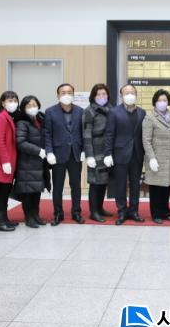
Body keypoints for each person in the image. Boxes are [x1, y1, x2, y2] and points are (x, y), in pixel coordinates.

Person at [104, 84, 146, 225]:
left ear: (136, 94)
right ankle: (122, 211)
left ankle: (134, 211)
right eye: (126, 93)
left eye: (132, 92)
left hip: (137, 154)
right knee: (120, 184)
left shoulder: (142, 113)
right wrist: (108, 153)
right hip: (120, 153)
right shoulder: (114, 112)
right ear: (121, 95)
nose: (130, 95)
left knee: (135, 185)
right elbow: (109, 134)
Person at [44, 83, 85, 225]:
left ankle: (76, 212)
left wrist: (84, 150)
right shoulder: (50, 112)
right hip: (58, 155)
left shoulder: (80, 111)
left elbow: (83, 133)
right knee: (58, 186)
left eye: (69, 92)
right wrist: (49, 152)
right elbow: (47, 134)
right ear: (58, 95)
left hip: (75, 154)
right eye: (63, 92)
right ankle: (58, 213)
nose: (66, 95)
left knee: (76, 186)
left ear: (73, 94)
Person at [142, 89, 170, 224]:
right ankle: (156, 213)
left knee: (166, 187)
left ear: (168, 102)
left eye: (164, 100)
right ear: (155, 102)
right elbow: (146, 140)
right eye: (159, 100)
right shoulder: (149, 117)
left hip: (169, 158)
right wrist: (151, 158)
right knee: (156, 188)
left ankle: (165, 212)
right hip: (156, 158)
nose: (162, 103)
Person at [13, 96, 51, 228]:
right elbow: (20, 142)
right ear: (23, 108)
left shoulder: (40, 120)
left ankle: (36, 215)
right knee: (28, 192)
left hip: (39, 163)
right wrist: (38, 151)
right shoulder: (22, 122)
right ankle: (29, 218)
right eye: (28, 106)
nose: (32, 108)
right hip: (27, 163)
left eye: (34, 105)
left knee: (37, 191)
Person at [83, 83, 113, 223]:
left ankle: (100, 208)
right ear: (93, 96)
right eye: (98, 94)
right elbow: (86, 134)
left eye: (104, 94)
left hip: (107, 150)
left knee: (103, 181)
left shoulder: (111, 109)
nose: (101, 96)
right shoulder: (89, 111)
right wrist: (89, 155)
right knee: (95, 182)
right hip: (95, 150)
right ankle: (93, 211)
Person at [0, 91, 19, 231]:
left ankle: (4, 218)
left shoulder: (8, 117)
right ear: (3, 103)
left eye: (15, 100)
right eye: (10, 100)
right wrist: (5, 162)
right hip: (3, 162)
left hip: (9, 161)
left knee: (5, 192)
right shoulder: (0, 118)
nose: (13, 103)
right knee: (1, 193)